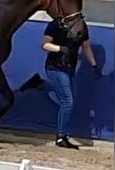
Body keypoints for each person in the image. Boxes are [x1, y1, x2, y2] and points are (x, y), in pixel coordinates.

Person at [41, 19, 102, 150]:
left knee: (67, 101)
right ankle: (61, 136)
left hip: (69, 69)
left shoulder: (82, 27)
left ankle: (41, 85)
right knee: (67, 102)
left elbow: (86, 46)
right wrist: (60, 49)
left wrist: (94, 64)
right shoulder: (54, 25)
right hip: (55, 67)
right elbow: (45, 45)